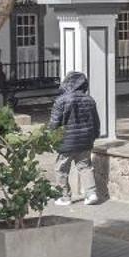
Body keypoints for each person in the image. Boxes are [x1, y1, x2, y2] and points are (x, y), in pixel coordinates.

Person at [47, 71, 102, 206]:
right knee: (85, 167)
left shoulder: (61, 101)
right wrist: (94, 136)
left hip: (66, 142)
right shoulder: (90, 100)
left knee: (61, 169)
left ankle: (65, 197)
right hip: (85, 141)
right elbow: (96, 122)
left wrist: (50, 137)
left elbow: (54, 123)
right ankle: (91, 194)